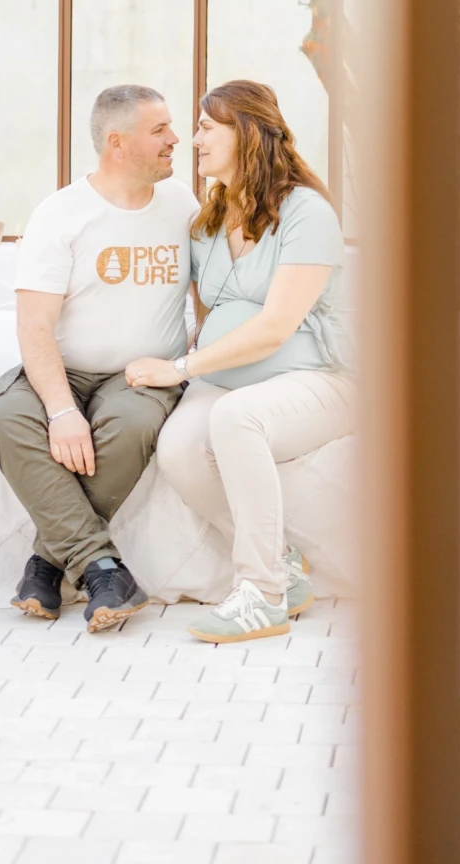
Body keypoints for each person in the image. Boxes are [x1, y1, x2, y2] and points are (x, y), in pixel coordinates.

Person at [125, 79, 354, 645]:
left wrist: (181, 369)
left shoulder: (306, 212)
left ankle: (262, 594)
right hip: (224, 382)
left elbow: (275, 327)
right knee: (178, 448)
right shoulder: (207, 221)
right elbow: (209, 314)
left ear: (246, 132)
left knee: (237, 419)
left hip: (318, 378)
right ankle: (282, 566)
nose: (193, 140)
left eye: (206, 127)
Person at [0, 84, 197, 633]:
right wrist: (61, 411)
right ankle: (101, 567)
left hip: (144, 374)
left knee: (131, 425)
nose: (176, 139)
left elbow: (210, 294)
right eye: (160, 130)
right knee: (4, 415)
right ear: (117, 143)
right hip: (66, 369)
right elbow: (34, 326)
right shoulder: (61, 214)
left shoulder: (183, 205)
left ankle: (48, 563)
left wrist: (195, 364)